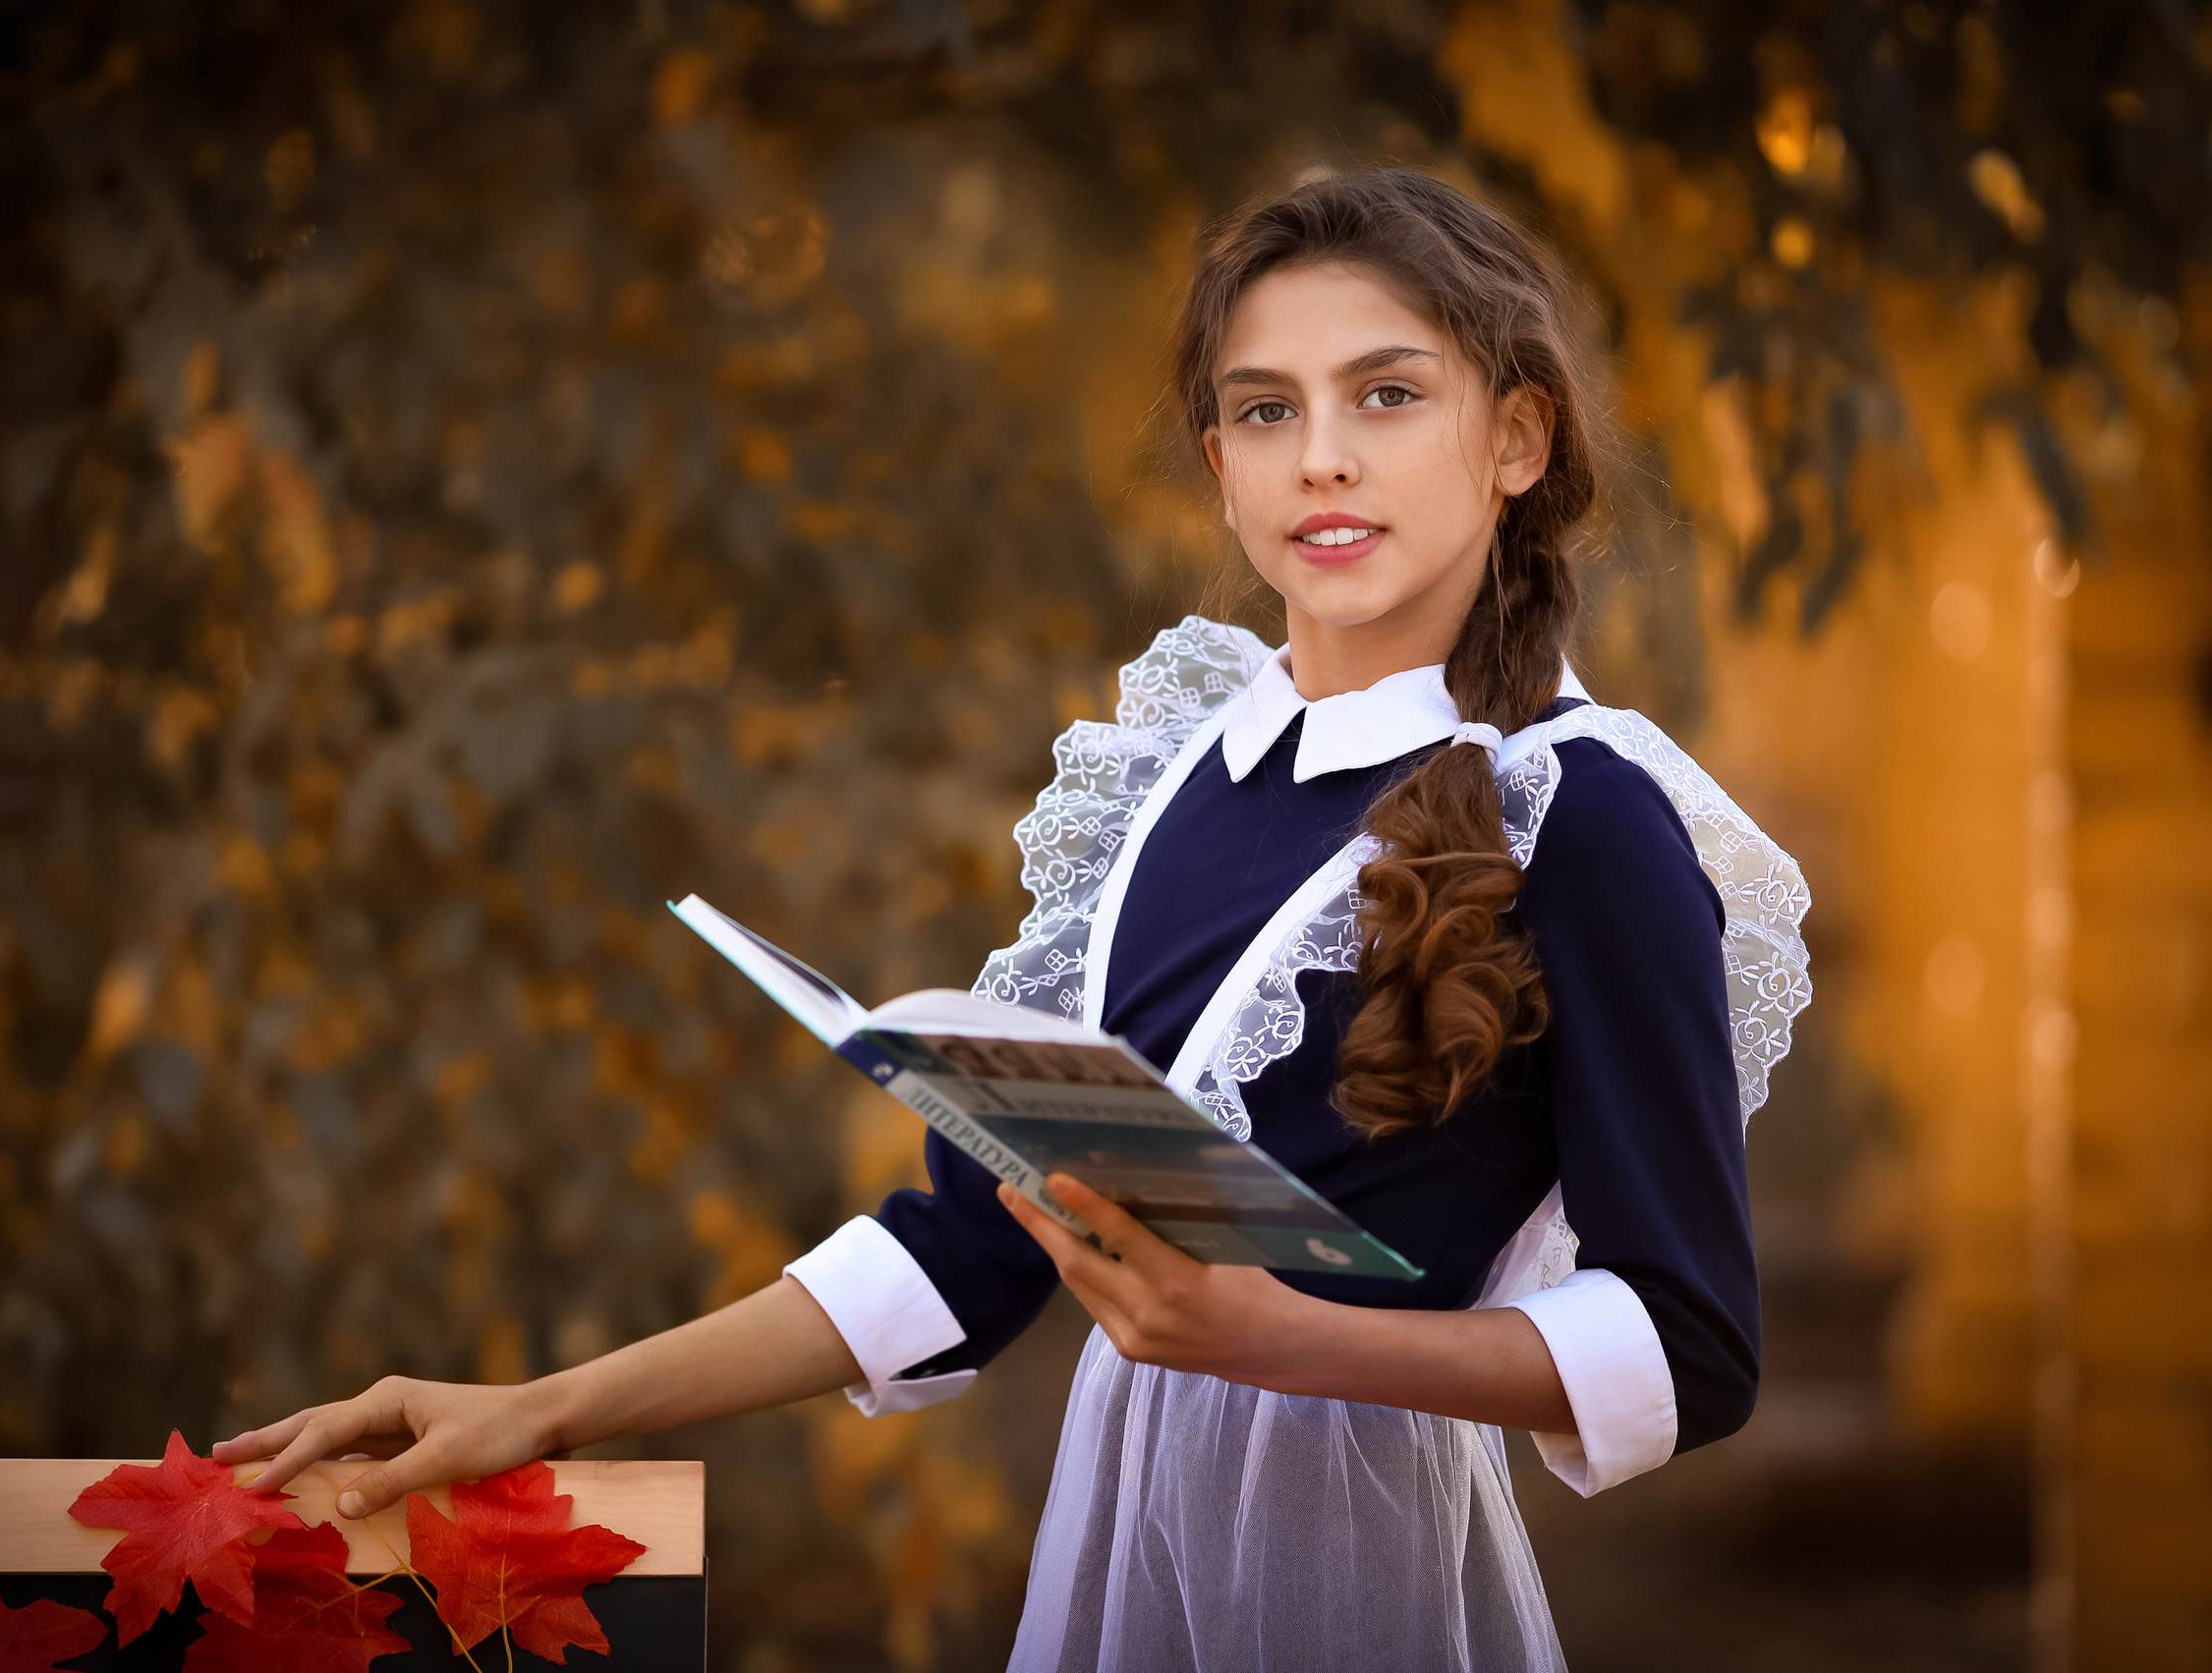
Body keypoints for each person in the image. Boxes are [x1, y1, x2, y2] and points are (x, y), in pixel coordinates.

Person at [215, 168, 1811, 1672]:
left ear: (1518, 439)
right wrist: (543, 1411)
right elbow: (968, 1249)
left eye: (1387, 396)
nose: (1322, 455)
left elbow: (1689, 1349)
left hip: (1360, 1565)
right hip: (1120, 1536)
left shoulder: (1582, 813)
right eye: (1268, 410)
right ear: (1221, 467)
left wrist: (1270, 1334)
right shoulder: (1177, 779)